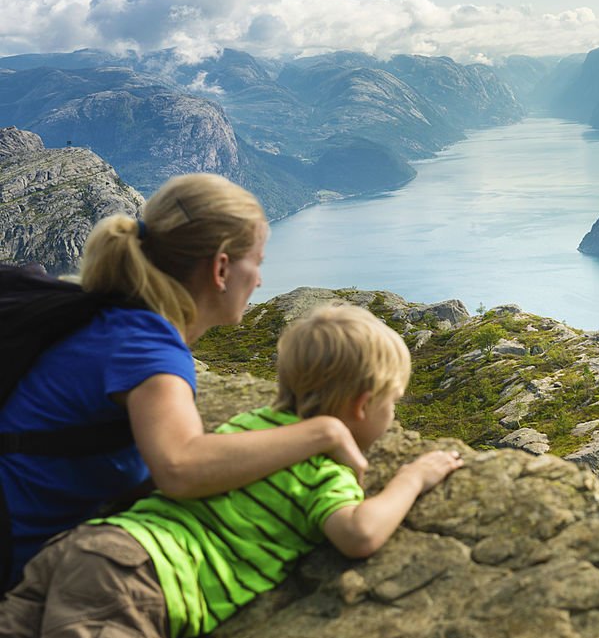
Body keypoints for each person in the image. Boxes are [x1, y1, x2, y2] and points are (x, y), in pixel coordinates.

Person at [0, 304, 464, 638]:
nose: (394, 416)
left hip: (87, 549)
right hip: (137, 581)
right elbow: (360, 534)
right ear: (363, 405)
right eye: (393, 404)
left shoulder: (249, 427)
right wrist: (413, 477)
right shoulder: (324, 469)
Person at [0, 174, 366, 592]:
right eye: (258, 262)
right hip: (16, 559)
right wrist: (325, 430)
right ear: (222, 268)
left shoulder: (116, 315)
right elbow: (180, 467)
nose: (261, 280)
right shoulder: (148, 343)